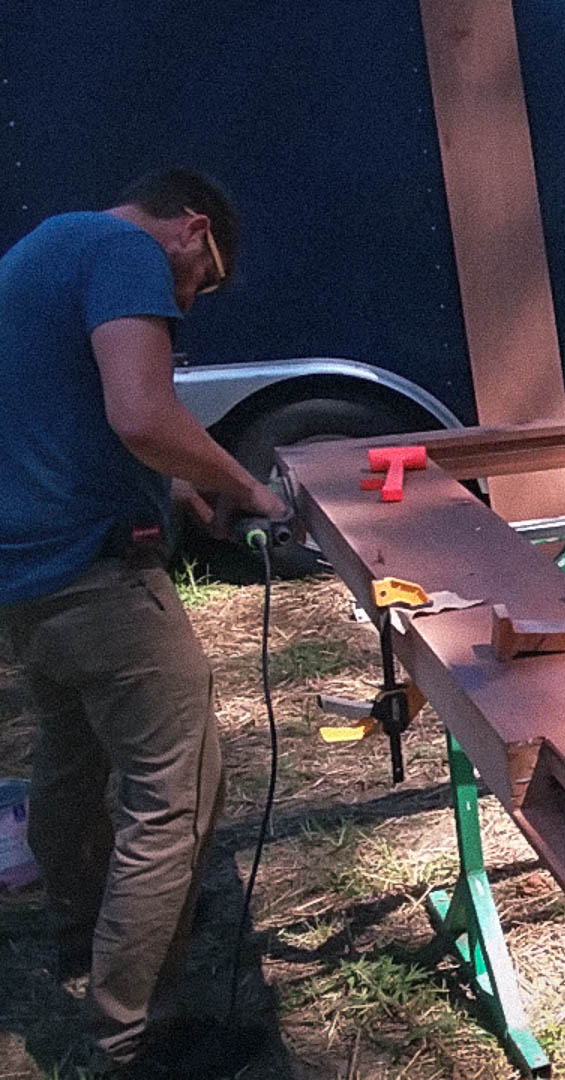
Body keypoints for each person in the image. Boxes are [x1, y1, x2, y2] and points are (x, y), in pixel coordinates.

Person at [0, 167, 288, 1073]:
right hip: (97, 578)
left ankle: (85, 932)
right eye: (200, 281)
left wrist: (164, 482)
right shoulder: (127, 251)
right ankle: (137, 1035)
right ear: (191, 229)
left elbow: (56, 414)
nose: (190, 303)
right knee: (174, 798)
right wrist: (242, 486)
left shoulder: (45, 246)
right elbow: (140, 408)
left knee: (72, 757)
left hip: (25, 573)